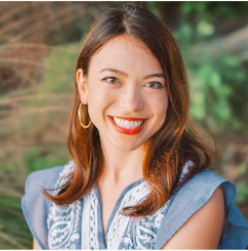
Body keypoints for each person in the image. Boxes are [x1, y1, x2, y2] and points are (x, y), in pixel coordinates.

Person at [21, 4, 248, 250]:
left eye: (153, 84)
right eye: (112, 79)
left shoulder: (196, 199)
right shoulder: (50, 193)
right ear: (84, 86)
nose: (131, 104)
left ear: (171, 93)